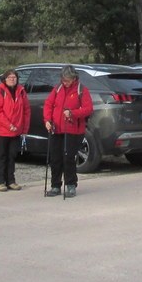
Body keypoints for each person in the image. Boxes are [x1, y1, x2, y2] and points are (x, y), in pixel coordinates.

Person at [43, 65, 93, 198]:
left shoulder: (81, 90)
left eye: (68, 80)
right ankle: (55, 186)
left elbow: (88, 109)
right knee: (55, 158)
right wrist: (47, 120)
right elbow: (48, 104)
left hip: (73, 130)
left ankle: (70, 185)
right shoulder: (58, 88)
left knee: (68, 158)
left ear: (74, 78)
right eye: (64, 79)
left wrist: (72, 113)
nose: (65, 82)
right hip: (56, 128)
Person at [0, 69, 31, 191]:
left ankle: (11, 180)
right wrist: (9, 125)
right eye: (10, 77)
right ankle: (0, 181)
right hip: (1, 131)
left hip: (16, 131)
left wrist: (24, 128)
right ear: (5, 79)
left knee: (12, 156)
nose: (12, 79)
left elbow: (26, 110)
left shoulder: (21, 91)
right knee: (1, 156)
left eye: (14, 77)